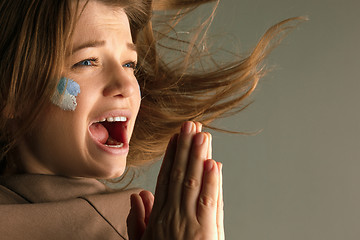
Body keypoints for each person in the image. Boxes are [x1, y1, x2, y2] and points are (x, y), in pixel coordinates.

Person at [0, 0, 301, 239]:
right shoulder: (137, 226)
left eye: (129, 63)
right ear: (12, 93)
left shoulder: (152, 223)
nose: (127, 85)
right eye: (88, 61)